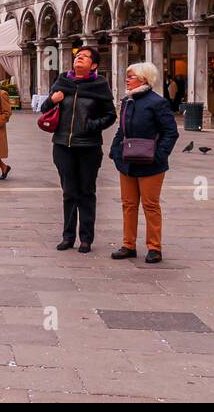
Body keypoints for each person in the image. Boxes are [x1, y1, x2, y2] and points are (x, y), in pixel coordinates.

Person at [47, 46, 117, 253]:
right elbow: (45, 109)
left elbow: (110, 115)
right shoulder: (62, 81)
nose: (79, 58)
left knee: (86, 192)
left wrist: (91, 125)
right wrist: (52, 100)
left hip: (88, 146)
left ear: (93, 65)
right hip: (62, 145)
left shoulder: (100, 85)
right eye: (78, 56)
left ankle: (86, 238)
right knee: (69, 192)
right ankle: (68, 236)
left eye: (85, 57)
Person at [109, 62, 178, 264]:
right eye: (127, 76)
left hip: (151, 164)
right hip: (127, 161)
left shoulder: (157, 103)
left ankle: (154, 247)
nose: (127, 79)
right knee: (128, 204)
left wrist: (160, 155)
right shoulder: (127, 101)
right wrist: (115, 151)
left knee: (150, 205)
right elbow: (121, 130)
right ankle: (128, 245)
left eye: (131, 76)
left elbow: (171, 132)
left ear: (144, 79)